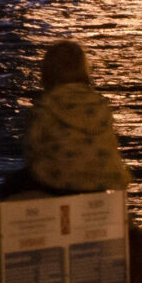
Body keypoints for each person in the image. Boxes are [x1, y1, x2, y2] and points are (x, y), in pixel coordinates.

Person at [23, 41, 131, 196]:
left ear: (46, 73)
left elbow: (33, 148)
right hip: (105, 178)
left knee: (11, 185)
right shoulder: (100, 103)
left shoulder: (45, 105)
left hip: (57, 180)